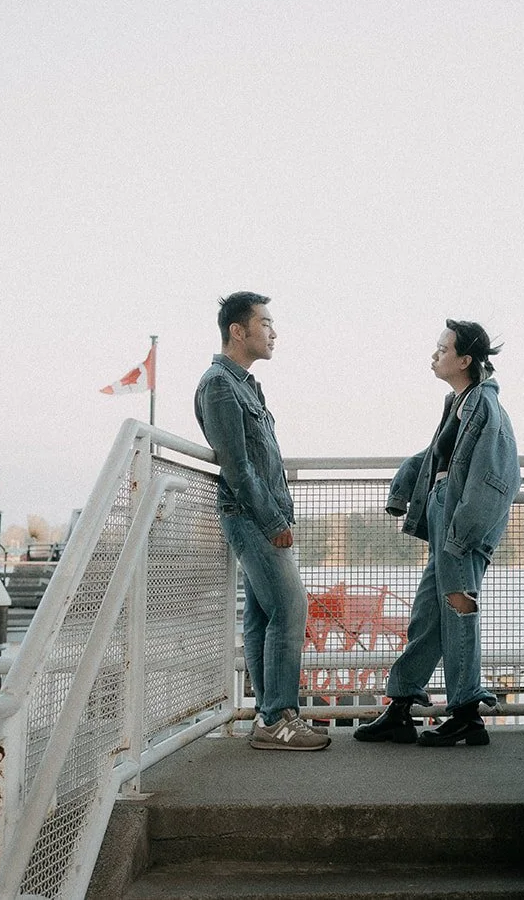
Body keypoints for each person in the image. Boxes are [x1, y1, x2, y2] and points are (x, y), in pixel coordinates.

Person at [355, 320, 520, 747]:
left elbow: (496, 474)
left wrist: (462, 533)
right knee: (428, 615)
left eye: (443, 349)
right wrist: (404, 491)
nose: (435, 355)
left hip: (458, 521)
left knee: (458, 612)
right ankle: (401, 707)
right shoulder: (460, 403)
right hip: (447, 514)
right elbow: (432, 458)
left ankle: (467, 713)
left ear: (465, 360)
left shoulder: (483, 406)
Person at [195, 291, 329, 751]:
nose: (274, 332)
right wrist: (274, 521)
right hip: (251, 516)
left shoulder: (246, 384)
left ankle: (271, 717)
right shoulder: (219, 385)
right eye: (266, 323)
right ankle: (276, 718)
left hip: (261, 514)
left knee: (260, 617)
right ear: (238, 330)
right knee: (291, 610)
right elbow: (237, 467)